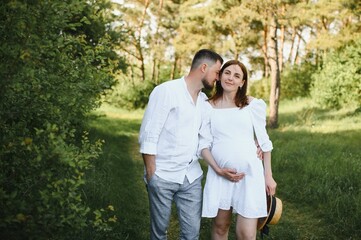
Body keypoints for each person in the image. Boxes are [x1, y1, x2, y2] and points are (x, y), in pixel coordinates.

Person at [138, 49, 224, 240]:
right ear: (204, 67)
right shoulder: (167, 91)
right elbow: (149, 134)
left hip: (191, 177)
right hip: (162, 175)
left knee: (191, 234)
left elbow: (213, 135)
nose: (218, 78)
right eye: (217, 72)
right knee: (159, 233)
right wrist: (152, 174)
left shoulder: (203, 102)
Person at [199, 60, 277, 240]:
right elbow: (203, 144)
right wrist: (218, 170)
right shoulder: (207, 106)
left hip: (249, 174)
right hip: (220, 175)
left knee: (246, 234)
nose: (231, 78)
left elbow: (264, 142)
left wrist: (268, 175)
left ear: (242, 82)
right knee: (220, 227)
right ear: (219, 76)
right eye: (227, 73)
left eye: (237, 76)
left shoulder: (252, 105)